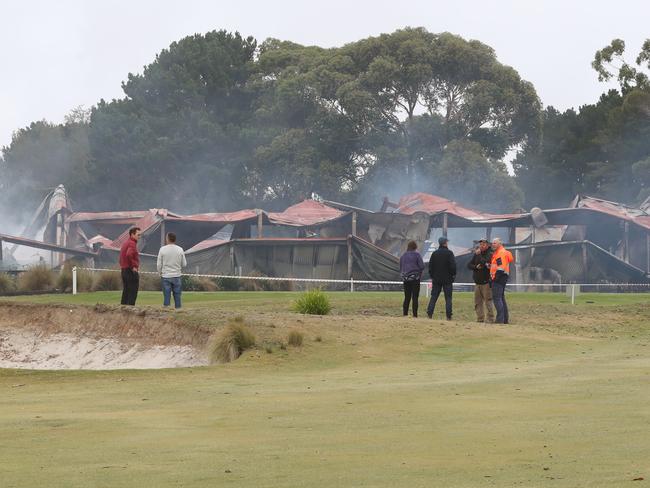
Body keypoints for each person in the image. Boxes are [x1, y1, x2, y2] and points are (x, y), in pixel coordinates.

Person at [426, 236, 456, 320]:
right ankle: (448, 316)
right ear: (445, 243)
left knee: (434, 297)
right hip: (447, 279)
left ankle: (429, 313)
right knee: (448, 298)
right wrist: (453, 275)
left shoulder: (435, 253)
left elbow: (430, 267)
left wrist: (432, 276)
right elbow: (453, 267)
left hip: (436, 279)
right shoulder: (449, 253)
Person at [157, 232, 187, 309]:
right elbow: (184, 264)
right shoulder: (180, 249)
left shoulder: (162, 249)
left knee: (166, 295)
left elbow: (159, 264)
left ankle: (166, 309)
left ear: (167, 239)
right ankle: (178, 309)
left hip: (166, 276)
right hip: (177, 275)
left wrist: (160, 272)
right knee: (177, 295)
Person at [467, 238, 495, 323]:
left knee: (488, 301)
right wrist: (475, 267)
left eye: (483, 244)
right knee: (477, 302)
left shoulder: (490, 253)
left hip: (486, 282)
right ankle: (480, 318)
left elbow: (485, 263)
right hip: (477, 282)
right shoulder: (476, 254)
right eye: (480, 244)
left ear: (487, 245)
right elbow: (469, 265)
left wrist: (478, 255)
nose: (481, 246)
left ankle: (490, 319)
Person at [490, 237, 514, 324]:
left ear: (500, 244)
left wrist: (495, 279)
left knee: (497, 298)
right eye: (492, 243)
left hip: (499, 278)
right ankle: (505, 319)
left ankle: (500, 320)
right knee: (501, 299)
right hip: (502, 277)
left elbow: (500, 268)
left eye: (495, 243)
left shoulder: (500, 253)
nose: (493, 244)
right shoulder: (500, 252)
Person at [399, 240, 425, 317]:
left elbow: (401, 267)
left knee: (407, 297)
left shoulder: (403, 256)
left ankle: (405, 314)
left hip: (406, 279)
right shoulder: (417, 255)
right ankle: (415, 314)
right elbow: (422, 266)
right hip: (415, 279)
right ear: (415, 247)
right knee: (415, 297)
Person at [119, 227, 141, 305]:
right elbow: (129, 254)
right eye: (138, 235)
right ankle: (130, 311)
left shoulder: (125, 243)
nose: (139, 237)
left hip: (124, 270)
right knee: (132, 292)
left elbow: (122, 256)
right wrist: (134, 266)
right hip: (130, 271)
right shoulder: (132, 243)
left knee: (126, 291)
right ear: (132, 234)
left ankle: (123, 310)